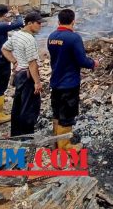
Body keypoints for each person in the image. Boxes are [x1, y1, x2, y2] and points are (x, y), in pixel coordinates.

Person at [47, 9, 98, 150]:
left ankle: (56, 142)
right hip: (69, 83)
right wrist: (93, 63)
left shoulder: (52, 36)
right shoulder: (74, 38)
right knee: (67, 114)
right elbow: (82, 60)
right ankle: (65, 146)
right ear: (73, 21)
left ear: (58, 21)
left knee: (57, 112)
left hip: (56, 81)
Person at [1, 12, 43, 137]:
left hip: (19, 74)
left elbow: (4, 49)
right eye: (38, 23)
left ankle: (16, 133)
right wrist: (37, 82)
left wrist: (14, 61)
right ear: (30, 23)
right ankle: (27, 136)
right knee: (29, 107)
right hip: (27, 75)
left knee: (18, 105)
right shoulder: (29, 39)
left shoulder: (17, 34)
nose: (40, 26)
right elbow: (32, 63)